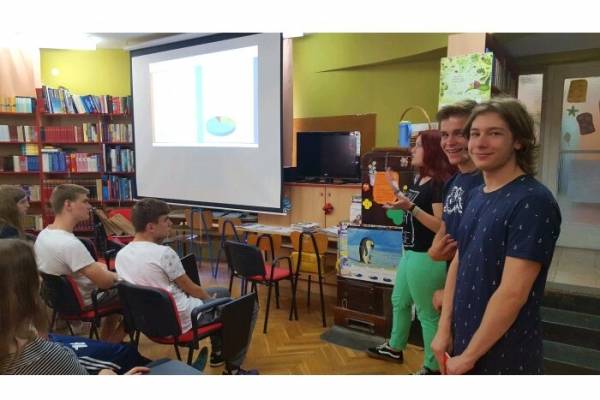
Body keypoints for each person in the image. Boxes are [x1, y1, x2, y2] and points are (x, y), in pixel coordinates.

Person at [431, 97, 561, 374]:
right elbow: (459, 262)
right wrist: (444, 328)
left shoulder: (533, 201)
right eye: (475, 134)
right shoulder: (476, 194)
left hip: (505, 352)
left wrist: (469, 357)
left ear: (519, 141)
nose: (480, 143)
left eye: (494, 133)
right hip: (463, 338)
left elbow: (513, 293)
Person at [115, 198, 259, 375]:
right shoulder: (164, 253)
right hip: (183, 320)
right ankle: (234, 369)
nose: (170, 223)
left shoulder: (121, 255)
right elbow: (192, 288)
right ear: (151, 227)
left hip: (149, 323)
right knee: (248, 307)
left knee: (221, 292)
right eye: (166, 220)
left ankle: (218, 353)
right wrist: (209, 300)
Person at [367, 130, 455, 375]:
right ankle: (395, 347)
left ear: (432, 150)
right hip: (410, 253)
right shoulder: (420, 180)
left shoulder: (439, 183)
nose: (412, 150)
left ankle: (432, 367)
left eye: (418, 146)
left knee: (428, 314)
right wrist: (399, 200)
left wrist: (412, 208)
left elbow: (442, 226)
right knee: (399, 301)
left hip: (427, 256)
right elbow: (413, 210)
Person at [0, 238, 148, 375]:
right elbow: (105, 282)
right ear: (22, 292)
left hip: (44, 337)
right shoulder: (48, 358)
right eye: (35, 273)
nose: (41, 278)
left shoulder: (44, 237)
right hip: (77, 317)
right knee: (128, 354)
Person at [34, 184, 125, 343]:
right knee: (132, 295)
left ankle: (105, 342)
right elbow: (104, 282)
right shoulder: (69, 244)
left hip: (58, 302)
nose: (89, 206)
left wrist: (102, 270)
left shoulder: (44, 234)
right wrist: (121, 276)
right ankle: (109, 347)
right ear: (68, 204)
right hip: (85, 301)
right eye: (84, 201)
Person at [427, 100, 483, 311]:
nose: (449, 142)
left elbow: (484, 250)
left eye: (459, 133)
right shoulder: (453, 182)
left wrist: (452, 294)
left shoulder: (488, 183)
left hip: (477, 294)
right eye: (444, 135)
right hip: (456, 286)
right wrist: (434, 249)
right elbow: (446, 225)